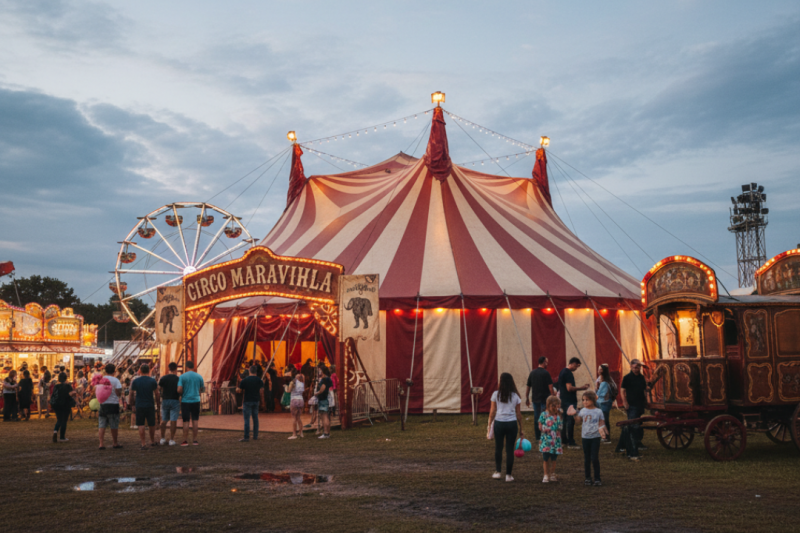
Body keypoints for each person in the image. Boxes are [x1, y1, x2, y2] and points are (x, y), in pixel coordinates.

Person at [487, 372, 525, 482]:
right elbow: (519, 414)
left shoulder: (496, 394)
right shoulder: (516, 396)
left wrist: (489, 425)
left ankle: (498, 472)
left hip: (499, 423)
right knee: (509, 450)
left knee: (498, 448)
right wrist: (521, 428)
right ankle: (508, 475)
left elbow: (492, 411)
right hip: (512, 424)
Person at [568, 391, 608, 486]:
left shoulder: (598, 411)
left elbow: (602, 422)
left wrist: (603, 432)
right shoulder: (583, 411)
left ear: (593, 400)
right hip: (585, 437)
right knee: (587, 458)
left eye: (587, 400)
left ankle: (597, 478)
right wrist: (574, 414)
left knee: (594, 458)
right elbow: (578, 422)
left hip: (595, 437)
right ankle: (588, 478)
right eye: (583, 400)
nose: (585, 402)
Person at [557, 357, 589, 449]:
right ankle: (571, 442)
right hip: (569, 401)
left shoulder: (562, 371)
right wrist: (582, 388)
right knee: (570, 421)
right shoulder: (568, 373)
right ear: (573, 363)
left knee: (563, 421)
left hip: (563, 399)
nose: (576, 368)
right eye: (577, 366)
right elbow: (569, 388)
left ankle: (564, 441)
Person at [620, 359, 651, 450]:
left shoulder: (641, 378)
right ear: (631, 367)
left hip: (640, 404)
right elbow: (622, 391)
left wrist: (646, 401)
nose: (635, 369)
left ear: (639, 367)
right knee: (633, 424)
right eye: (633, 367)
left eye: (637, 367)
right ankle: (633, 443)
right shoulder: (627, 378)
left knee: (639, 424)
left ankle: (638, 442)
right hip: (631, 404)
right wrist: (625, 402)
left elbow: (644, 390)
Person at [525, 356, 555, 441]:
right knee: (545, 417)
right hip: (545, 400)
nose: (547, 364)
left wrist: (527, 398)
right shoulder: (546, 373)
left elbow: (528, 387)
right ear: (544, 362)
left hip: (535, 399)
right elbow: (550, 387)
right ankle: (545, 434)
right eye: (547, 362)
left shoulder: (532, 373)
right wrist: (553, 398)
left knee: (537, 418)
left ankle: (538, 436)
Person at [177, 360, 205, 446]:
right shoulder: (199, 376)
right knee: (195, 420)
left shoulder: (182, 377)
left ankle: (185, 440)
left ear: (186, 367)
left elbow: (179, 389)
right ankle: (195, 440)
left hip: (185, 401)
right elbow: (202, 389)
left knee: (186, 421)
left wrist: (182, 393)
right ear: (193, 367)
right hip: (196, 400)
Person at [98, 363, 123, 450]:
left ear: (105, 371)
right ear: (114, 371)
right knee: (114, 425)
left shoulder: (101, 380)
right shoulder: (116, 380)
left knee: (102, 424)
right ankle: (115, 443)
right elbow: (118, 392)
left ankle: (101, 443)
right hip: (113, 404)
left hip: (103, 403)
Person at [538, 395, 563, 483]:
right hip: (546, 440)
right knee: (545, 458)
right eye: (553, 406)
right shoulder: (543, 415)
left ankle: (552, 473)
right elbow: (540, 426)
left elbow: (560, 427)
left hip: (555, 441)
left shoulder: (558, 416)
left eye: (557, 406)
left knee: (554, 458)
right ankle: (545, 474)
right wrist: (545, 428)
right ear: (548, 405)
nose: (555, 408)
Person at [236, 365, 264, 442]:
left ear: (249, 371)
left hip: (247, 400)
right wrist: (262, 402)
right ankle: (255, 435)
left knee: (247, 419)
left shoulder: (245, 380)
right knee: (255, 419)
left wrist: (237, 389)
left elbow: (240, 391)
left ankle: (246, 436)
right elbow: (261, 392)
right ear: (256, 372)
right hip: (256, 400)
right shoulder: (259, 380)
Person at [158, 362, 181, 446]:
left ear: (169, 369)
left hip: (165, 399)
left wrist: (163, 392)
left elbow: (159, 388)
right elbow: (180, 389)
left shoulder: (164, 378)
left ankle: (162, 438)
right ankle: (171, 439)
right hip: (175, 400)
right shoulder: (178, 379)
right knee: (173, 420)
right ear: (176, 369)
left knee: (164, 420)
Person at [51, 372, 77, 442]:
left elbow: (54, 395)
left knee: (59, 419)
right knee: (64, 421)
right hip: (66, 405)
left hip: (57, 405)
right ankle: (62, 437)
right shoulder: (68, 386)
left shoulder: (56, 386)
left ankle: (55, 431)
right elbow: (72, 394)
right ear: (65, 378)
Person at [596, 364, 615, 443]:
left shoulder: (605, 383)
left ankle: (606, 436)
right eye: (598, 369)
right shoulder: (605, 380)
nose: (599, 371)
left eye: (600, 369)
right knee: (603, 419)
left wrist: (596, 393)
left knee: (604, 420)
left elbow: (601, 394)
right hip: (604, 402)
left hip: (604, 403)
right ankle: (604, 436)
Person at [315, 366, 334, 439]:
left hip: (323, 399)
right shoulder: (328, 379)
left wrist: (317, 393)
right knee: (326, 416)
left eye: (319, 370)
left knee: (324, 416)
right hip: (326, 399)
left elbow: (323, 388)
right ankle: (327, 433)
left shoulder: (324, 379)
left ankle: (325, 433)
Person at [288, 374, 305, 439]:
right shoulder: (302, 383)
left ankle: (294, 434)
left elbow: (289, 390)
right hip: (301, 400)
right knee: (298, 418)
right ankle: (301, 432)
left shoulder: (292, 383)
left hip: (294, 400)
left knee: (294, 418)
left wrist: (286, 387)